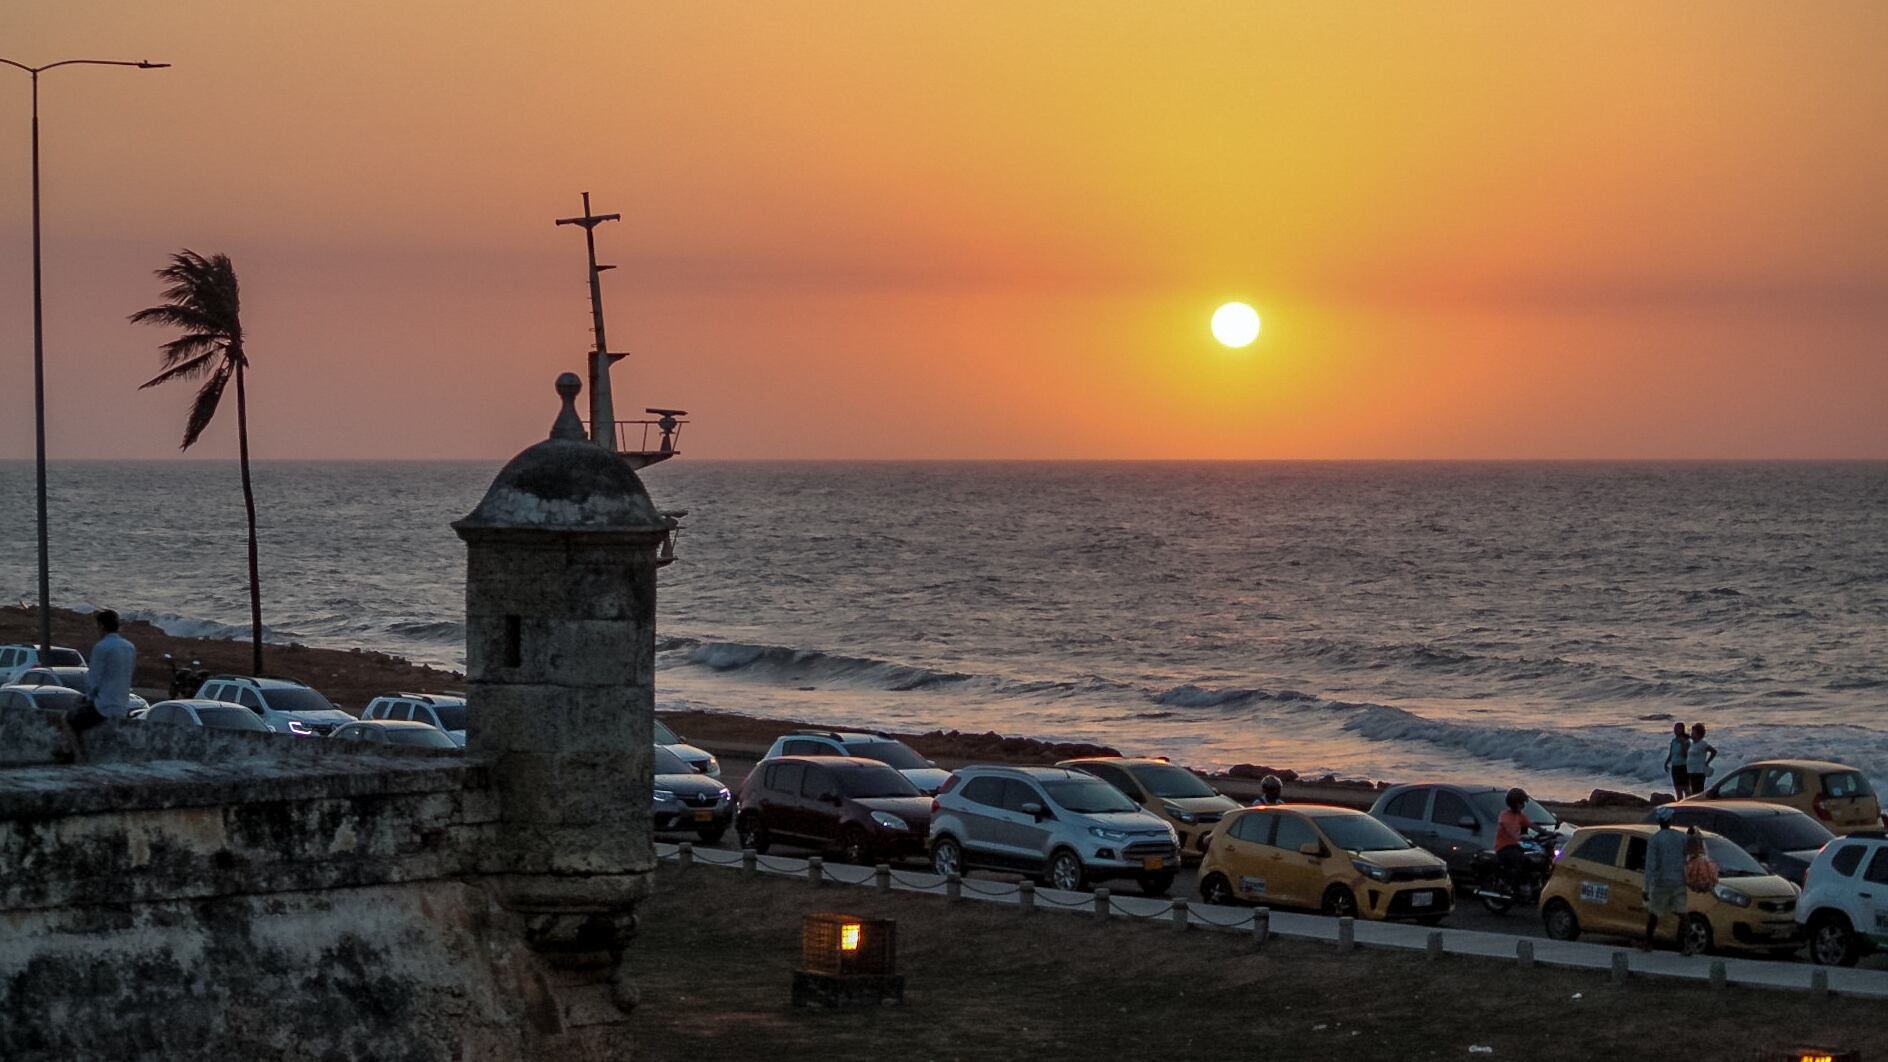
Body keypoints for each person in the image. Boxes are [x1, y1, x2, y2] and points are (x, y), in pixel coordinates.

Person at [1642, 806, 1689, 951]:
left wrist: (1646, 888)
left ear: (1659, 821)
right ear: (1670, 820)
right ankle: (1685, 946)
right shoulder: (1681, 837)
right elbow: (1688, 858)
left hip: (1661, 882)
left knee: (1654, 914)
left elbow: (1650, 866)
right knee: (1683, 914)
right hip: (1679, 881)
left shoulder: (1655, 840)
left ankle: (1648, 943)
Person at [82, 609, 136, 723]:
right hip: (122, 707)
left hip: (103, 707)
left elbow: (94, 681)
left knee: (69, 719)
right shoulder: (130, 647)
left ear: (102, 626)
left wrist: (88, 699)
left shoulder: (101, 646)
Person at [1495, 787, 1533, 894]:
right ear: (1514, 803)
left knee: (1532, 857)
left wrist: (1547, 833)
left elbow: (1531, 824)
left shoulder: (1520, 815)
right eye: (1521, 802)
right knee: (1524, 861)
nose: (1523, 805)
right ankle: (1520, 885)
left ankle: (1527, 883)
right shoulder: (1505, 816)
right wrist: (1521, 837)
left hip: (1515, 846)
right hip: (1504, 848)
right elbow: (1511, 830)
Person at [1685, 723, 1716, 795]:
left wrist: (1707, 762)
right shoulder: (1692, 743)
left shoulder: (1702, 743)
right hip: (1691, 771)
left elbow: (1714, 751)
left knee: (1698, 791)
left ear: (1698, 734)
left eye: (1693, 732)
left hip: (1699, 772)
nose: (1691, 733)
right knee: (1693, 791)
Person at [1663, 722, 1691, 798]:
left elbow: (1686, 755)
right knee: (1678, 790)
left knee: (1686, 789)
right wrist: (1666, 763)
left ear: (1682, 729)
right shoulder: (1674, 741)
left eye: (1677, 728)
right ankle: (1680, 806)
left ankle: (1689, 805)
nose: (1675, 730)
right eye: (1675, 728)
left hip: (1684, 767)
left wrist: (1682, 744)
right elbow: (1671, 753)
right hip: (1675, 767)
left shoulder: (1686, 741)